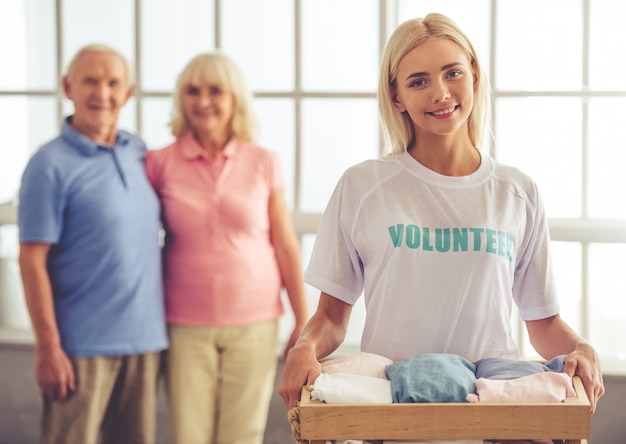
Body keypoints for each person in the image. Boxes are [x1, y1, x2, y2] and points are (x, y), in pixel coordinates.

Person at [278, 12, 605, 418]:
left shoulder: (518, 191)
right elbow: (330, 315)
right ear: (395, 96)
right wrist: (303, 348)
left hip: (495, 409)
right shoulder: (362, 186)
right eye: (418, 81)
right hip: (395, 408)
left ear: (474, 75)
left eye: (452, 73)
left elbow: (543, 323)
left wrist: (581, 348)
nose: (440, 93)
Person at [145, 51, 309, 444]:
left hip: (254, 322)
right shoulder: (159, 163)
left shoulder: (263, 161)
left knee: (242, 434)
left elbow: (285, 246)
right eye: (192, 91)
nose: (203, 101)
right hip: (184, 323)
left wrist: (303, 322)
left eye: (215, 90)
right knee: (190, 434)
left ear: (234, 97)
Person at [17, 44, 167, 444]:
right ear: (68, 87)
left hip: (145, 340)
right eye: (90, 80)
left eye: (113, 82)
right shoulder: (48, 165)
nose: (103, 92)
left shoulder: (137, 152)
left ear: (128, 93)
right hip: (80, 346)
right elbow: (31, 261)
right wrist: (48, 349)